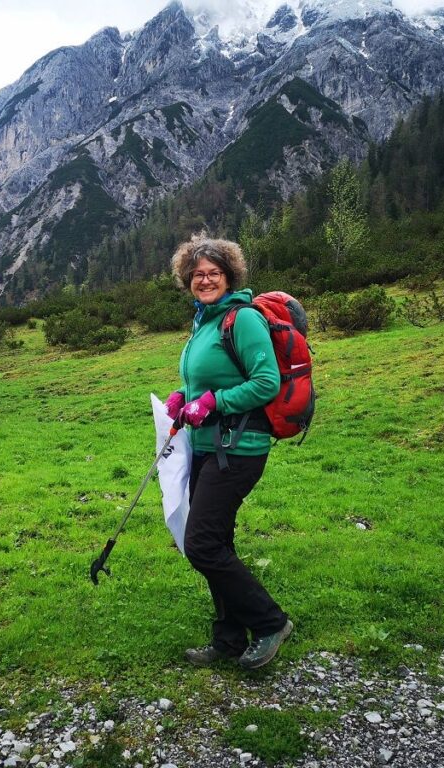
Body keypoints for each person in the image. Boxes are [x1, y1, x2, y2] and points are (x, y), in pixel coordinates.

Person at [164, 235, 293, 670]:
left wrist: (213, 403)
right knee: (216, 541)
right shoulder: (203, 322)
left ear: (229, 275)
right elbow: (205, 380)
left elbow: (265, 383)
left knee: (200, 544)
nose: (205, 279)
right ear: (187, 280)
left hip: (238, 448)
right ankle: (228, 639)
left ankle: (271, 622)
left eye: (213, 273)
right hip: (206, 448)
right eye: (197, 274)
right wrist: (184, 397)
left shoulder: (244, 319)